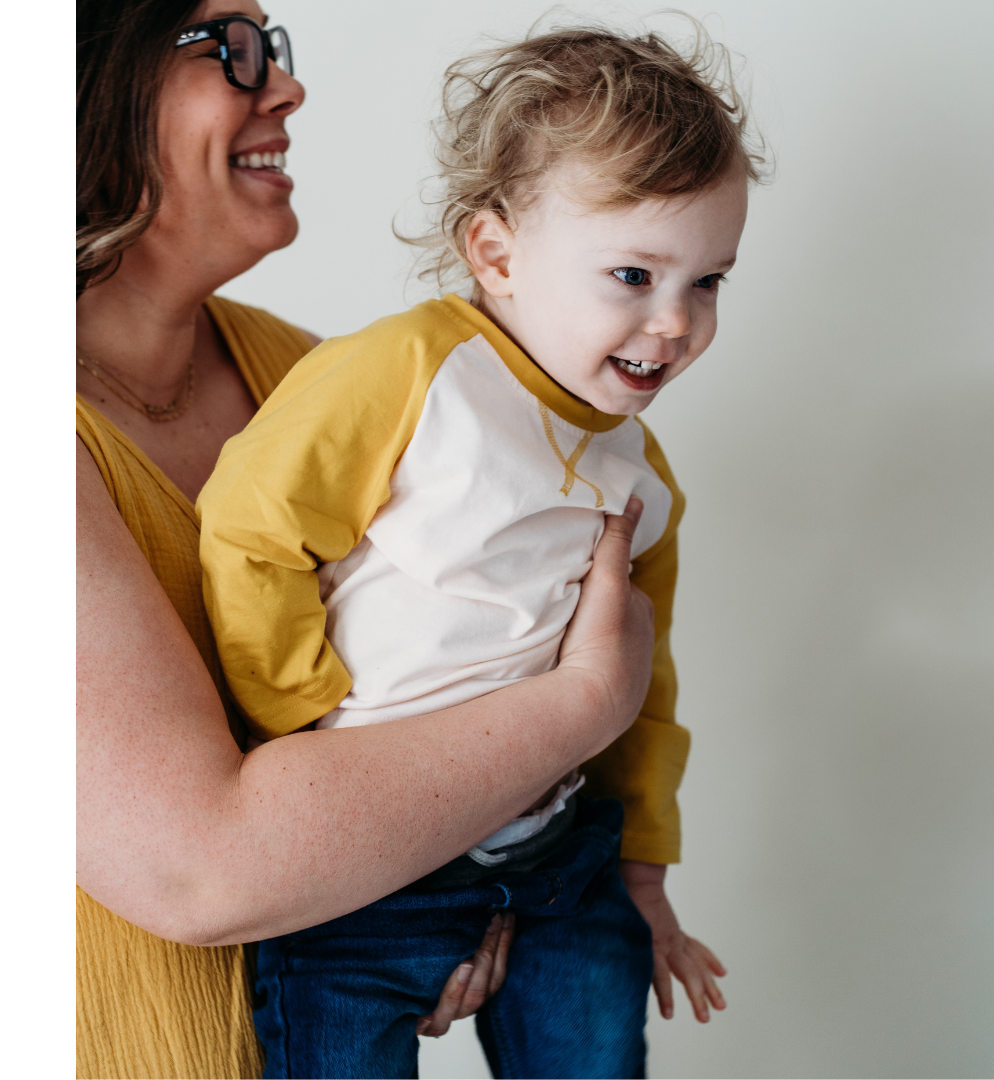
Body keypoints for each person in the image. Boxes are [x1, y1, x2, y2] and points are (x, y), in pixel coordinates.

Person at [75, 3, 656, 1077]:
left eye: (276, 49)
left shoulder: (335, 382)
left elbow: (461, 692)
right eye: (233, 52)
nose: (286, 91)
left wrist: (474, 886)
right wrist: (584, 706)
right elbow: (203, 872)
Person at [197, 23, 755, 1079]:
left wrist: (643, 863)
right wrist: (303, 715)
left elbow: (647, 679)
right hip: (364, 857)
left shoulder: (641, 474)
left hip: (556, 856)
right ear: (496, 254)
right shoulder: (409, 373)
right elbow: (250, 528)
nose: (675, 323)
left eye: (711, 281)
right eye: (634, 273)